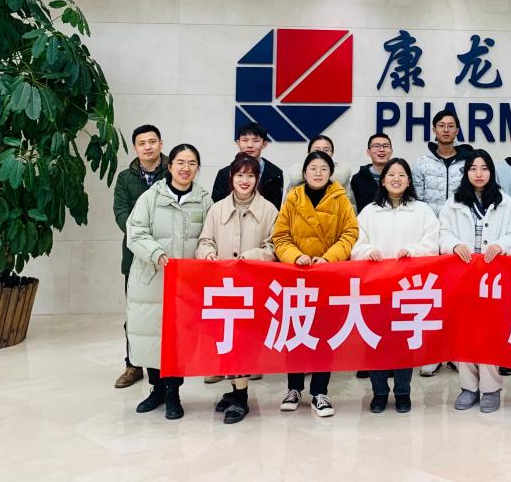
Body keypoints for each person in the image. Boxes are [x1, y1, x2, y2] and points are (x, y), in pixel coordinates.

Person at [126, 143, 212, 420]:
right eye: (180, 163)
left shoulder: (204, 200)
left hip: (187, 284)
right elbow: (135, 233)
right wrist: (156, 253)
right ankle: (157, 390)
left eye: (192, 163)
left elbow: (209, 237)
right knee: (153, 337)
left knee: (178, 339)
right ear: (170, 166)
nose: (186, 168)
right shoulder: (151, 197)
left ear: (197, 168)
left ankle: (173, 392)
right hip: (152, 279)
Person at [272, 150, 359, 417]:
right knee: (295, 332)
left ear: (331, 173)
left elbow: (350, 233)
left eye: (323, 168)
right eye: (313, 168)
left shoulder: (341, 199)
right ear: (304, 172)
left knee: (324, 334)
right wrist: (295, 257)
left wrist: (328, 258)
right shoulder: (293, 198)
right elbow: (280, 236)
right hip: (297, 276)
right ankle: (294, 388)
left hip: (328, 276)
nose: (318, 173)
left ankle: (320, 391)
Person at [351, 158, 439, 414]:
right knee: (375, 341)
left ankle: (402, 392)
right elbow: (356, 244)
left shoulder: (422, 210)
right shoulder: (369, 212)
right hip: (376, 288)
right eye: (391, 174)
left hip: (408, 289)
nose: (396, 179)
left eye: (402, 175)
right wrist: (368, 251)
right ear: (383, 180)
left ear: (409, 181)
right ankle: (379, 393)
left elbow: (432, 243)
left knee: (403, 342)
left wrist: (412, 251)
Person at [195, 153, 279, 424]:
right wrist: (207, 254)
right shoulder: (217, 209)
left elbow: (275, 246)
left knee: (242, 342)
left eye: (250, 175)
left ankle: (240, 397)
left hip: (253, 287)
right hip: (223, 286)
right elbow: (205, 240)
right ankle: (235, 391)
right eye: (240, 175)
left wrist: (254, 256)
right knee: (226, 340)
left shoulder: (269, 210)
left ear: (257, 179)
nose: (245, 180)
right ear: (231, 178)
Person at [440, 150, 511, 413]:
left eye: (484, 168)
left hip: (493, 279)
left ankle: (491, 388)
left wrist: (501, 245)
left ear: (491, 172)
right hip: (463, 278)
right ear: (466, 173)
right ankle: (468, 387)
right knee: (464, 333)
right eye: (473, 168)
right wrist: (454, 245)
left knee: (489, 334)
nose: (478, 173)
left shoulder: (505, 202)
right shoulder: (453, 203)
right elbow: (442, 234)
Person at [412, 109, 472, 377]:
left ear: (457, 130)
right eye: (441, 125)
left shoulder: (468, 162)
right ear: (434, 130)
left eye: (451, 126)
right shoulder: (422, 164)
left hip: (459, 240)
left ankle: (456, 352)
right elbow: (416, 201)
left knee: (458, 298)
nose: (446, 130)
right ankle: (433, 353)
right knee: (432, 297)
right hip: (430, 240)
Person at [112, 124, 167, 390]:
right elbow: (121, 213)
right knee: (137, 314)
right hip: (134, 255)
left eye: (152, 141)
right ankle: (133, 364)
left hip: (168, 254)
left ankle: (166, 365)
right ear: (135, 148)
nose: (148, 147)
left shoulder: (173, 171)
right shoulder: (125, 178)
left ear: (160, 144)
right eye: (142, 143)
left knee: (167, 315)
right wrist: (143, 239)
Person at [212, 121, 284, 208]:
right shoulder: (224, 173)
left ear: (264, 144)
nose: (250, 145)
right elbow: (218, 205)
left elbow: (275, 207)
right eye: (245, 140)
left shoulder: (275, 174)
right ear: (238, 143)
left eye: (255, 141)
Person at [285, 134, 353, 195]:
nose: (321, 153)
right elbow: (287, 203)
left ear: (332, 153)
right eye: (317, 150)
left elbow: (350, 204)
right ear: (308, 153)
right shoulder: (297, 177)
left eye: (326, 150)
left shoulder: (342, 177)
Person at [349, 133, 394, 214]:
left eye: (385, 146)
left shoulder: (399, 177)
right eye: (377, 146)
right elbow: (353, 206)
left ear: (391, 151)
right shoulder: (357, 179)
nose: (381, 149)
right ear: (368, 152)